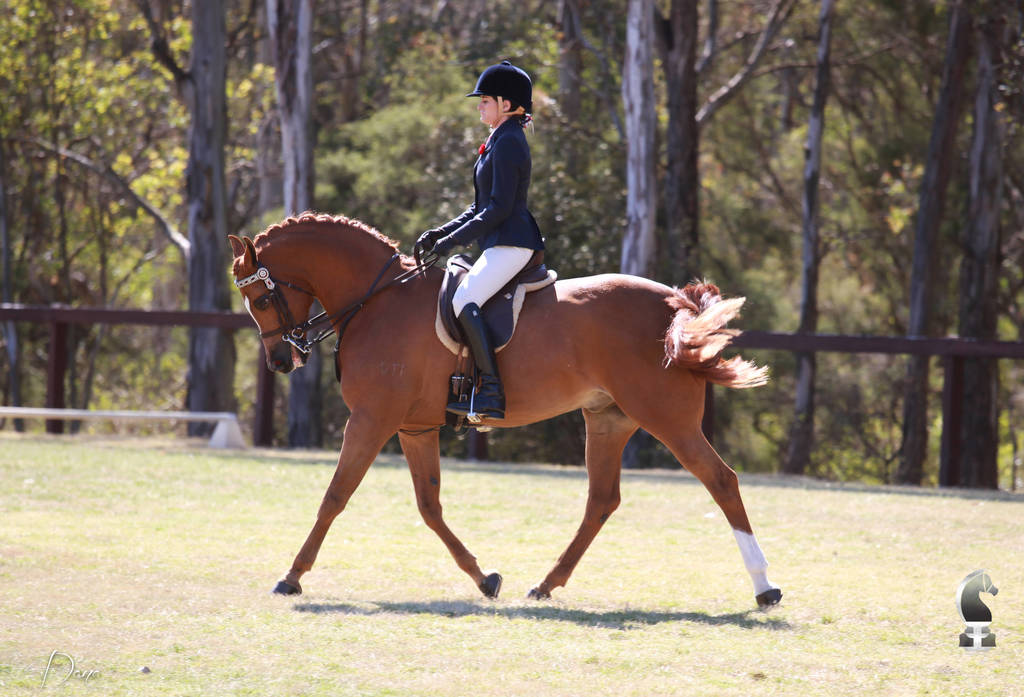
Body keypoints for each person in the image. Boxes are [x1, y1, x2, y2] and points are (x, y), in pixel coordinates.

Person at [417, 60, 544, 421]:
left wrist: (453, 242)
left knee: (465, 298)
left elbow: (499, 209)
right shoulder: (498, 138)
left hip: (512, 241)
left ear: (507, 104)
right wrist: (441, 232)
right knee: (466, 296)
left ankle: (490, 391)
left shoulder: (508, 142)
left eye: (485, 99)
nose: (479, 105)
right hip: (500, 239)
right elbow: (478, 207)